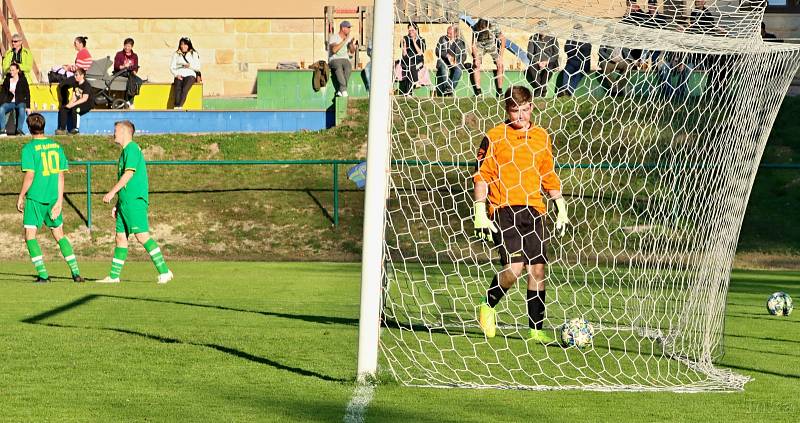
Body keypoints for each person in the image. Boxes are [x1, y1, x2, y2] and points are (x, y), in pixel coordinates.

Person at [473, 85, 569, 343]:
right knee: (515, 268)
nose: (521, 116)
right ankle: (488, 305)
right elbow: (482, 175)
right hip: (504, 208)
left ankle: (536, 330)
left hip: (534, 209)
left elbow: (548, 172)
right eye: (515, 111)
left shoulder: (541, 136)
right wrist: (479, 211)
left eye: (525, 110)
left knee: (537, 270)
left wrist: (559, 204)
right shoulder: (495, 136)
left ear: (532, 108)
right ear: (507, 110)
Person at [98, 120, 173, 284]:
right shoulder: (125, 151)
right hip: (125, 203)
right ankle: (113, 276)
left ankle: (165, 272)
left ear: (125, 132)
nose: (113, 133)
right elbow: (126, 181)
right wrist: (118, 203)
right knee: (120, 238)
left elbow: (129, 174)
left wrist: (111, 192)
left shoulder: (131, 148)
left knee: (142, 236)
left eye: (116, 130)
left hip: (134, 202)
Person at [16, 113, 85, 283]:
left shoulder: (29, 149)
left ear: (29, 127)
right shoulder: (56, 146)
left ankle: (43, 275)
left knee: (30, 236)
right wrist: (60, 201)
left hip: (36, 198)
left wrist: (21, 196)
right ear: (44, 126)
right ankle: (76, 273)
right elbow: (61, 176)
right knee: (59, 235)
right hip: (54, 199)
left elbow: (30, 175)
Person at [471, 18, 506, 97]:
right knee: (476, 66)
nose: (482, 30)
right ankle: (478, 91)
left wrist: (501, 56)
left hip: (491, 45)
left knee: (500, 65)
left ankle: (500, 91)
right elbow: (473, 44)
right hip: (480, 46)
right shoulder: (475, 27)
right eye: (481, 29)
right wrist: (476, 58)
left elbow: (503, 39)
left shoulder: (494, 26)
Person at [525, 20, 559, 98]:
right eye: (539, 28)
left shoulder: (552, 38)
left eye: (543, 28)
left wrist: (546, 62)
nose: (541, 30)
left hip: (549, 61)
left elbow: (556, 53)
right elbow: (529, 54)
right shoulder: (533, 38)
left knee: (548, 69)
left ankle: (539, 90)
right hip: (537, 61)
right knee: (531, 68)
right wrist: (538, 62)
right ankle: (541, 89)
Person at [55, 68, 93, 135]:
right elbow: (74, 97)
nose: (75, 77)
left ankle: (76, 129)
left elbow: (84, 99)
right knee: (63, 108)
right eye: (74, 75)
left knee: (75, 109)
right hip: (78, 102)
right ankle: (62, 129)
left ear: (82, 76)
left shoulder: (86, 85)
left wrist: (73, 104)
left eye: (76, 75)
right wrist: (69, 104)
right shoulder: (75, 84)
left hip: (87, 104)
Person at [558, 24, 592, 97]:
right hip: (572, 62)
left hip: (583, 63)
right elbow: (567, 50)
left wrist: (575, 51)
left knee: (578, 75)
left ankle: (569, 91)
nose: (576, 32)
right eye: (575, 30)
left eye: (578, 30)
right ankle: (564, 89)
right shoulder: (570, 38)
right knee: (566, 72)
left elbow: (587, 52)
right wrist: (577, 51)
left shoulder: (586, 38)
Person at [328, 21, 358, 97]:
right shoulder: (334, 37)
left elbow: (352, 52)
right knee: (338, 65)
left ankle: (341, 90)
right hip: (334, 59)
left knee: (348, 66)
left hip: (345, 59)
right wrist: (344, 40)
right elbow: (334, 50)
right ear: (343, 28)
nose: (349, 29)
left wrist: (351, 44)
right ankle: (343, 90)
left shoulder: (349, 38)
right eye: (348, 28)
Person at [170, 37, 201, 110]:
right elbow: (172, 67)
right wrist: (176, 74)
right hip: (179, 74)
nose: (183, 46)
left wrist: (190, 66)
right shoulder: (176, 54)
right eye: (181, 44)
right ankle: (176, 107)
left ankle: (179, 106)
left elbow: (198, 67)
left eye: (185, 44)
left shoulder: (194, 53)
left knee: (184, 89)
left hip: (190, 74)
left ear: (189, 45)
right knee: (177, 90)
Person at [435, 24, 466, 97]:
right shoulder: (442, 39)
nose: (448, 35)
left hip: (455, 63)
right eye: (447, 33)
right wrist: (447, 55)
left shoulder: (460, 42)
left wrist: (458, 62)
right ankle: (449, 91)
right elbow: (437, 51)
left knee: (459, 70)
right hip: (444, 62)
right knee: (443, 67)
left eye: (450, 34)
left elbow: (464, 55)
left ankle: (449, 89)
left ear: (455, 34)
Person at [0, 63, 31, 136]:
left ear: (17, 70)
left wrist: (28, 107)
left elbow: (27, 93)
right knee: (1, 109)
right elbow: (3, 92)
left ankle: (19, 130)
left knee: (21, 109)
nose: (11, 72)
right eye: (10, 70)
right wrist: (1, 102)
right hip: (9, 102)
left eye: (13, 70)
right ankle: (2, 130)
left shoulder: (23, 79)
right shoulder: (7, 79)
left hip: (19, 101)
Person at [114, 38, 142, 108]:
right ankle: (129, 102)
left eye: (129, 46)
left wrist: (135, 71)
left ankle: (129, 101)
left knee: (138, 81)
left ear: (132, 47)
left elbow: (135, 67)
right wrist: (123, 66)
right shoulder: (119, 54)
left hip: (131, 73)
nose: (127, 47)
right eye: (126, 45)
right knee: (130, 81)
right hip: (121, 73)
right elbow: (116, 66)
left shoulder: (135, 56)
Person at [399, 23, 427, 96]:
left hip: (418, 61)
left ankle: (408, 93)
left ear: (416, 30)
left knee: (411, 66)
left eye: (412, 30)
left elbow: (420, 53)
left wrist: (414, 42)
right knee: (410, 64)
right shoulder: (405, 38)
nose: (410, 31)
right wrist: (404, 45)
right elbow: (404, 54)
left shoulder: (421, 39)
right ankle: (416, 82)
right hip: (407, 60)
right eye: (409, 30)